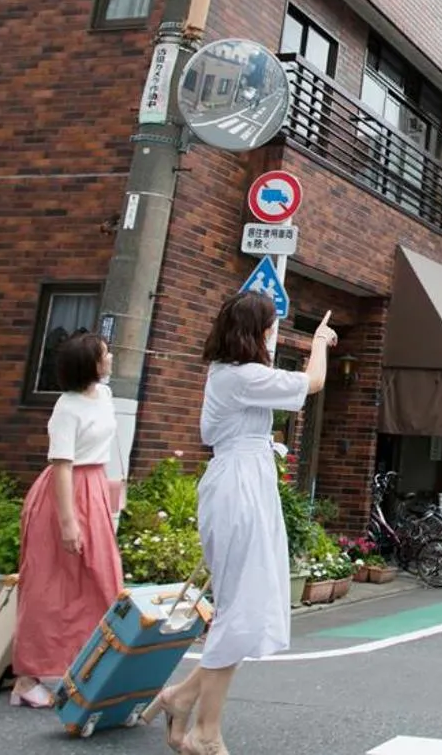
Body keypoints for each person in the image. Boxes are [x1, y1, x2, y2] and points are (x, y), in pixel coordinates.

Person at [145, 292, 335, 754]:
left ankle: (182, 699)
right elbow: (313, 382)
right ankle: (204, 731)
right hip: (239, 488)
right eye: (271, 325)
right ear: (257, 331)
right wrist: (319, 342)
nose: (273, 332)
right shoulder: (243, 376)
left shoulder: (233, 374)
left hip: (244, 483)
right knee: (239, 609)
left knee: (244, 606)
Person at [9, 331, 125, 708]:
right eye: (105, 354)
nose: (111, 357)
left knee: (101, 581)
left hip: (93, 487)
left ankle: (84, 669)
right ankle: (25, 680)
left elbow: (107, 449)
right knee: (48, 587)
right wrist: (67, 522)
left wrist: (112, 491)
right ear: (89, 363)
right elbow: (61, 466)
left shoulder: (104, 395)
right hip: (65, 494)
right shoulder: (67, 407)